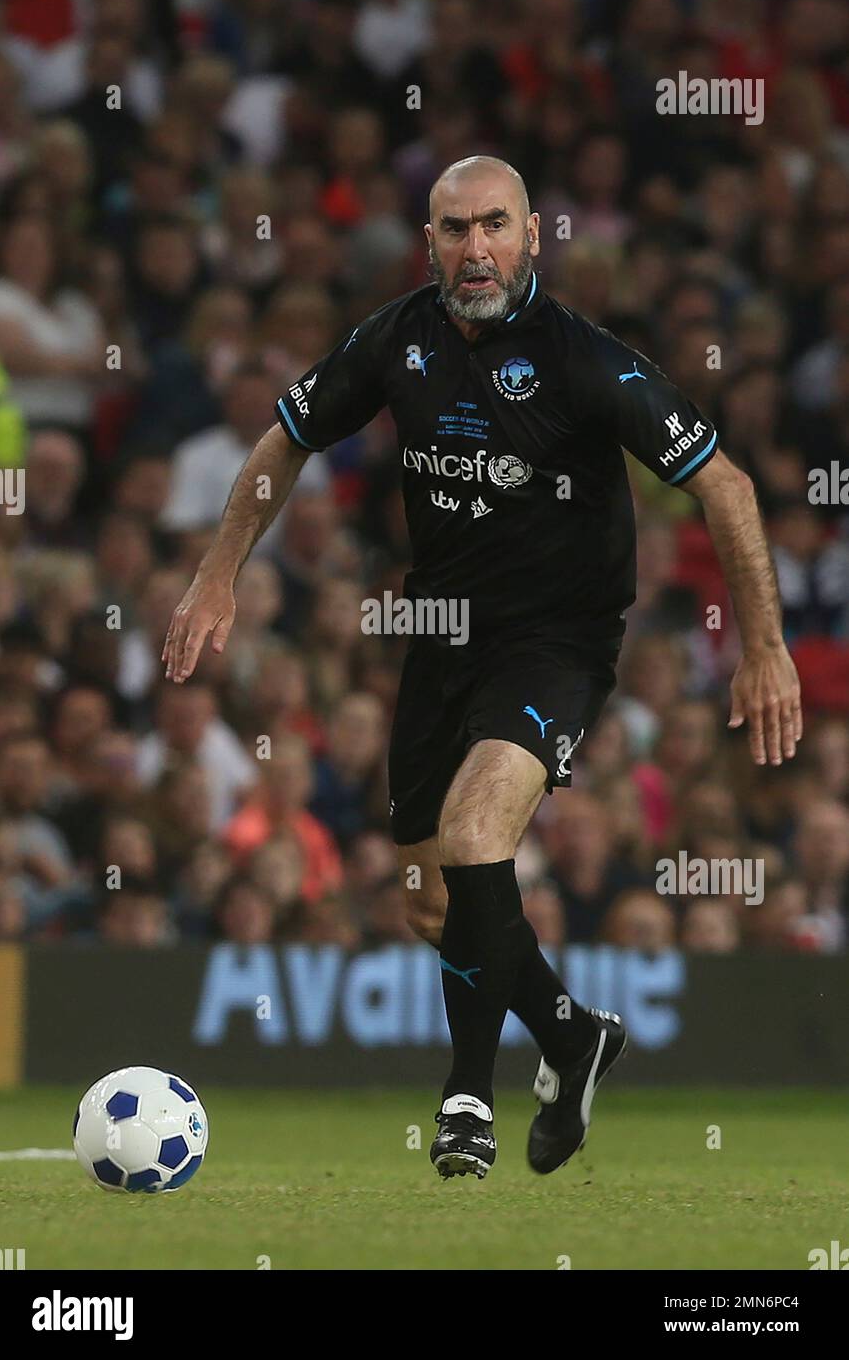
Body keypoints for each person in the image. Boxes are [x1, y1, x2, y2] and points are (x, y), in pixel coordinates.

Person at [162, 155, 803, 1182]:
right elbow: (286, 438)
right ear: (428, 244)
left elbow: (726, 487)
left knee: (472, 836)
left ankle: (466, 1097)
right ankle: (568, 1038)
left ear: (533, 235)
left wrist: (764, 648)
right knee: (427, 900)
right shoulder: (399, 336)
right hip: (443, 637)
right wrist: (216, 576)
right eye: (454, 230)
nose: (475, 250)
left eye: (494, 226)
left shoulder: (589, 361)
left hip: (558, 641)